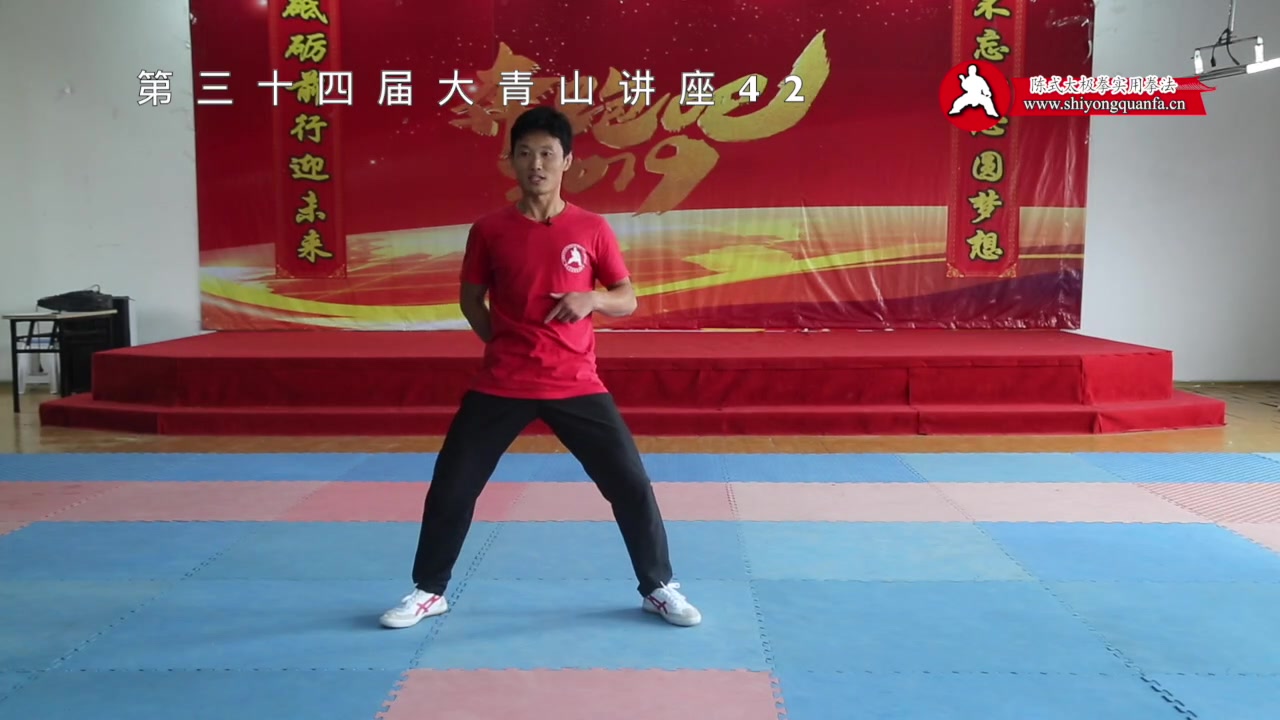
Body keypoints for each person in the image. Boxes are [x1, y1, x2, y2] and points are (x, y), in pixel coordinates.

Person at [379, 106, 701, 630]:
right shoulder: (489, 230)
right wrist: (504, 341)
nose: (536, 164)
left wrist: (591, 298)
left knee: (630, 484)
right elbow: (471, 301)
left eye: (547, 154)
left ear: (567, 161)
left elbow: (627, 298)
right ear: (511, 161)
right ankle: (429, 591)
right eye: (525, 153)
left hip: (576, 382)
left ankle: (658, 588)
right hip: (502, 381)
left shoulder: (592, 228)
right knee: (452, 486)